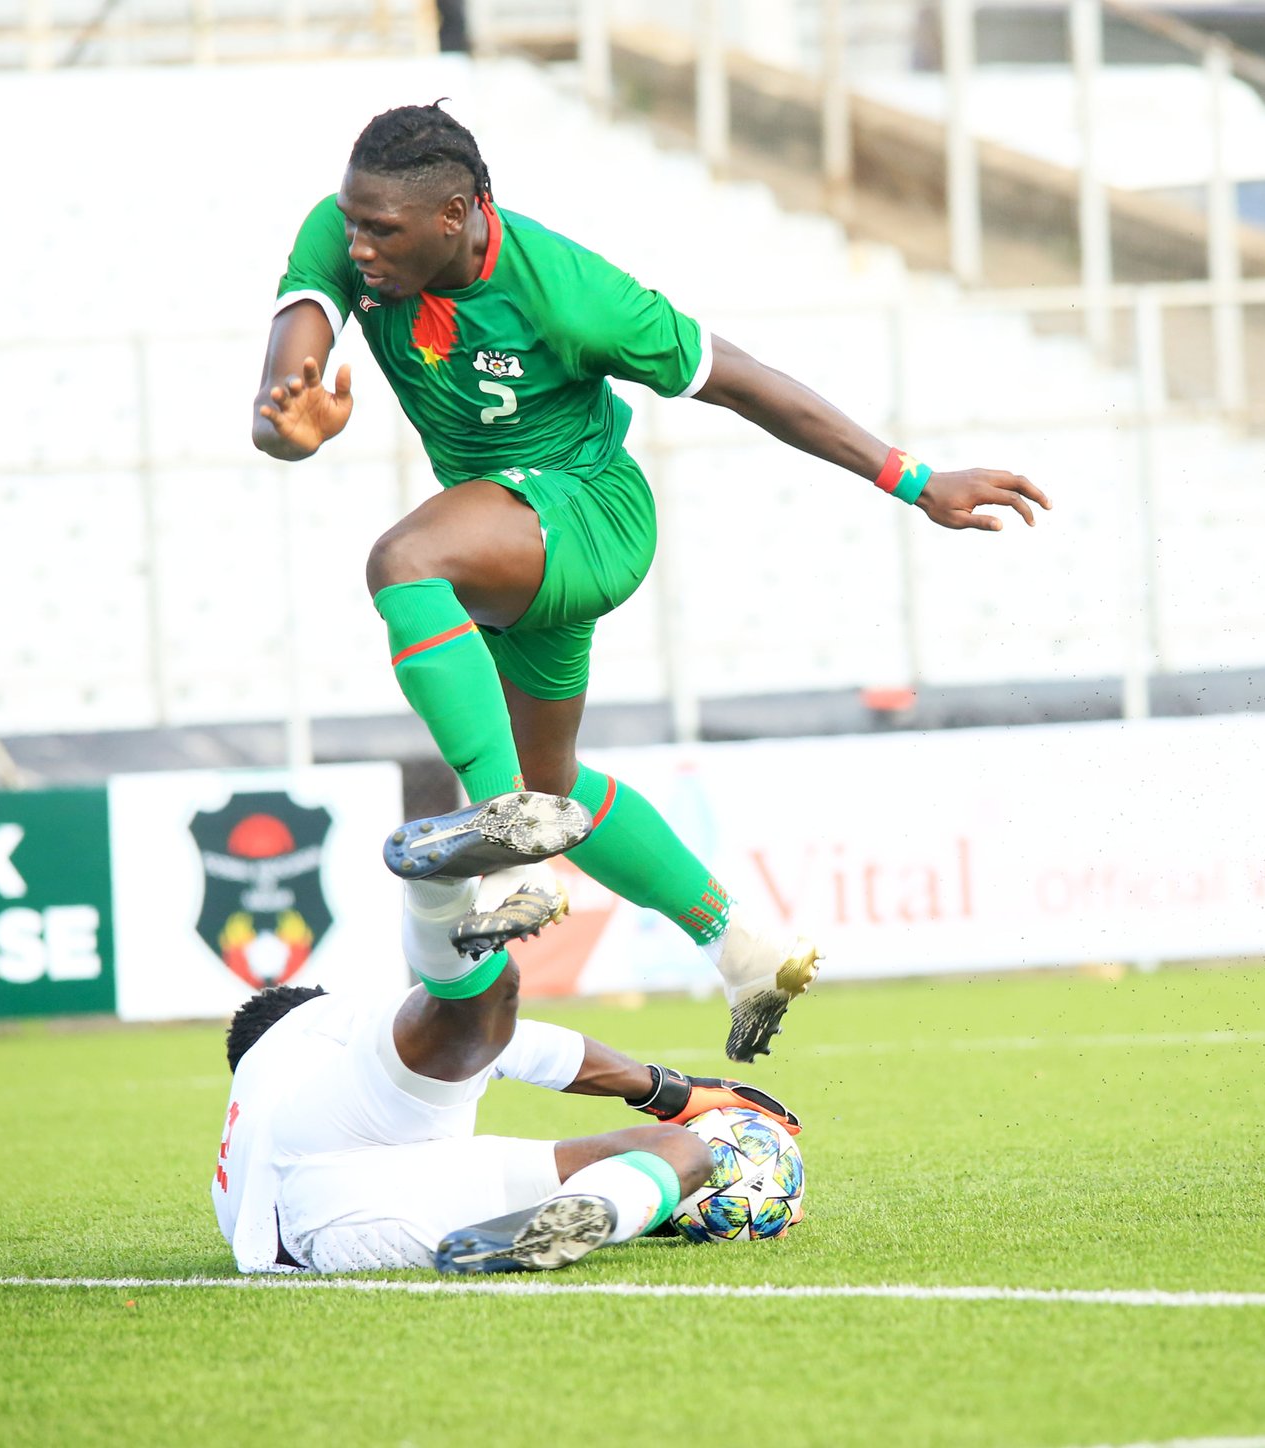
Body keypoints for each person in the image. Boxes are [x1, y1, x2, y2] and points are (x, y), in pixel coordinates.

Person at [252, 104, 1050, 1061]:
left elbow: (744, 381)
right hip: (504, 536)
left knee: (404, 562)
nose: (357, 246)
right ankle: (743, 947)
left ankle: (512, 846)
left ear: (457, 214)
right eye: (352, 223)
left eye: (381, 230)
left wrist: (915, 481)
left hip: (589, 515)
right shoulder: (347, 235)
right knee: (555, 783)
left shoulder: (570, 295)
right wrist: (286, 432)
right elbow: (282, 394)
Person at [213, 790, 802, 1275]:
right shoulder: (309, 1023)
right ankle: (435, 890)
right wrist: (668, 1090)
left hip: (315, 1242)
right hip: (349, 1158)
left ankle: (594, 1209)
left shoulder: (238, 1144)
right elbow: (522, 1045)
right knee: (476, 1016)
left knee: (678, 1150)